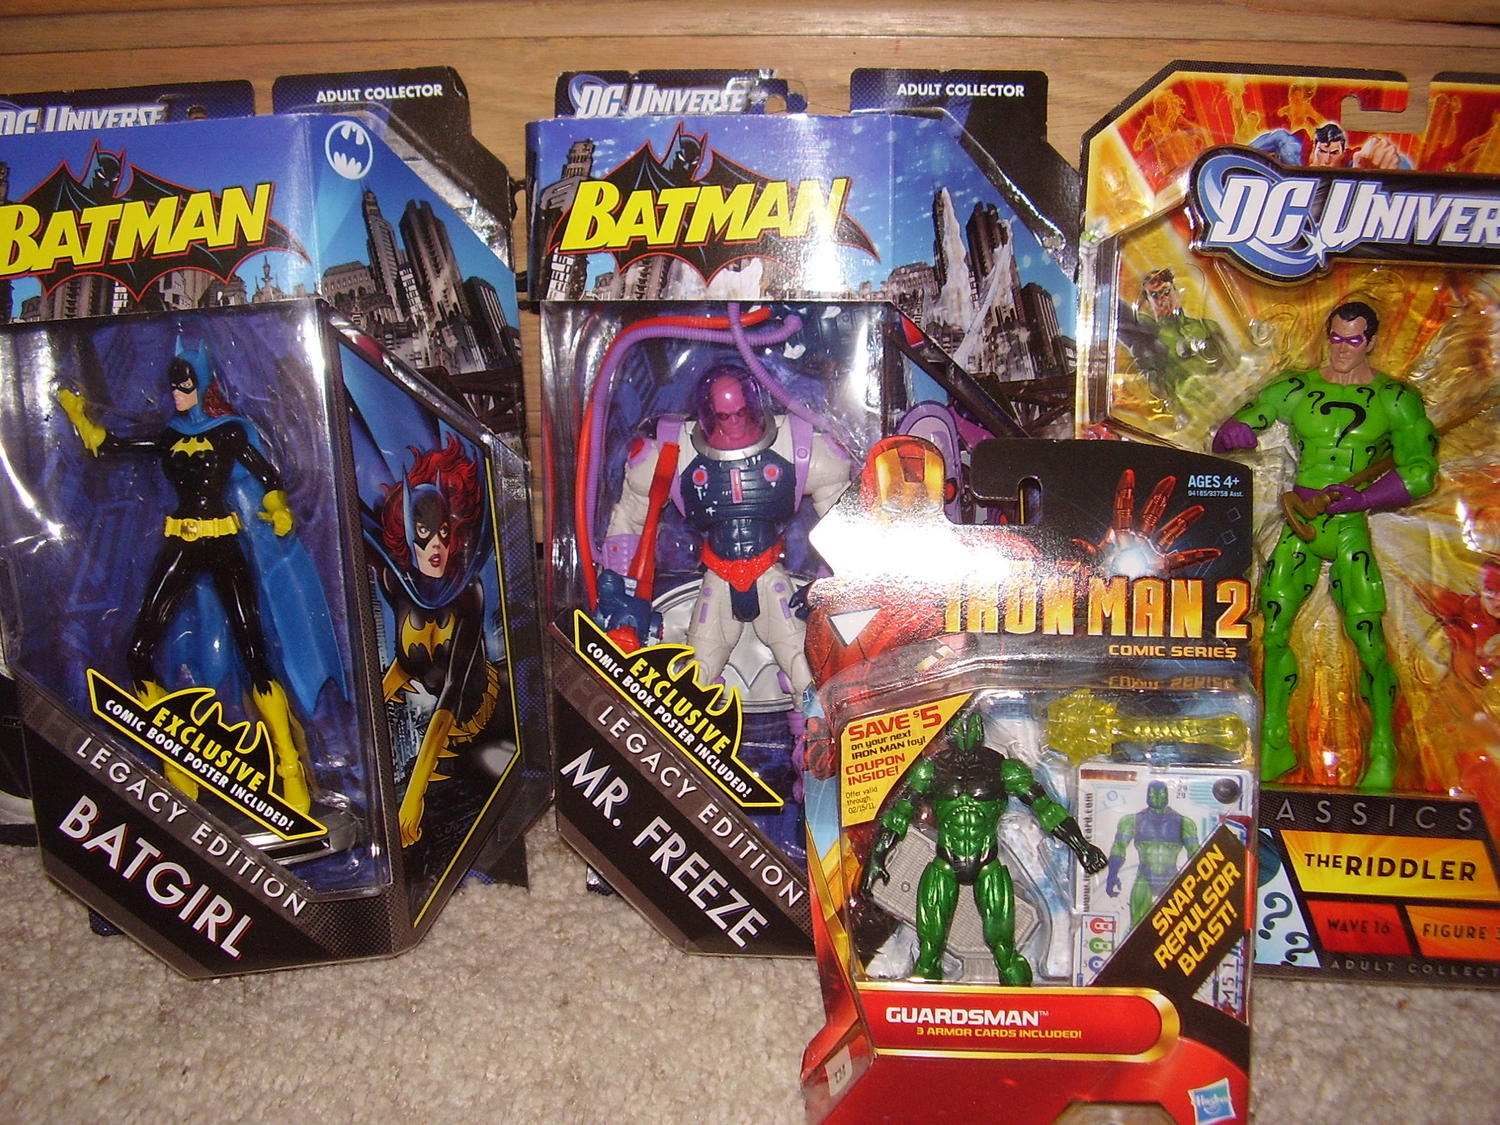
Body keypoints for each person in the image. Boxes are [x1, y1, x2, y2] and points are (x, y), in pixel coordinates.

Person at [58, 343, 320, 812]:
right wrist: (78, 415)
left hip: (223, 540)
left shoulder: (230, 430)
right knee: (138, 650)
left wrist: (278, 508)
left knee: (253, 651)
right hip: (180, 539)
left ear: (202, 383)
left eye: (185, 384)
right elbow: (108, 445)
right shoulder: (170, 432)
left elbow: (268, 476)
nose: (176, 392)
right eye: (173, 384)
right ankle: (173, 753)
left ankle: (288, 764)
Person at [1212, 300, 1439, 790]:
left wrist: (1367, 497)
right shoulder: (1298, 387)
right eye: (1335, 337)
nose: (1341, 348)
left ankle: (1383, 747)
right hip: (1302, 520)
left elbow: (1422, 471)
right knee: (1272, 628)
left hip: (1349, 523)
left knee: (1368, 638)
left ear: (1371, 341)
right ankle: (1274, 740)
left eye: (1352, 340)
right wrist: (1234, 431)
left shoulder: (1394, 399)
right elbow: (1246, 419)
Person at [862, 711, 1106, 984]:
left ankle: (1021, 1001)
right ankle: (926, 1002)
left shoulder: (1004, 768)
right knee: (929, 949)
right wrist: (876, 858)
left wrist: (1082, 846)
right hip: (944, 863)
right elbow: (899, 815)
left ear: (981, 727)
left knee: (1004, 948)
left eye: (972, 723)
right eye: (960, 725)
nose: (966, 730)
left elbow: (1046, 810)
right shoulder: (930, 769)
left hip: (988, 863)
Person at [1106, 781, 1198, 928]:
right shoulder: (1132, 821)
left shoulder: (1184, 823)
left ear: (1167, 795)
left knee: (1176, 926)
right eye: (1153, 794)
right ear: (1147, 795)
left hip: (1171, 877)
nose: (1157, 798)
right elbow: (1119, 847)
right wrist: (1112, 875)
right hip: (1145, 876)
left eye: (1161, 794)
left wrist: (1198, 882)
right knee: (1137, 925)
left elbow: (1195, 854)